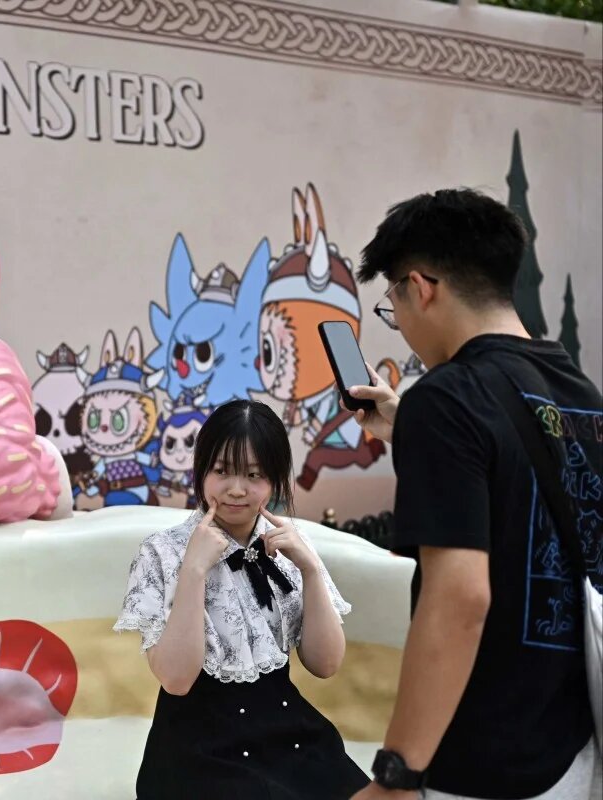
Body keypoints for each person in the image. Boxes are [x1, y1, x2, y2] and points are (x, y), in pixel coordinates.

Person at [345, 188, 602, 800]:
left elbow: (460, 599)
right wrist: (409, 428)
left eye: (392, 306)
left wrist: (398, 775)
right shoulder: (580, 391)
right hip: (572, 749)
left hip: (483, 762)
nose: (401, 326)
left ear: (420, 287)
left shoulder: (446, 398)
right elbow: (522, 478)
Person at [115, 399, 369, 799]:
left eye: (254, 474)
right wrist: (194, 570)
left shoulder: (290, 547)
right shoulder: (161, 551)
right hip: (199, 746)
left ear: (275, 480)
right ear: (201, 470)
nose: (236, 489)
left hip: (285, 730)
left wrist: (309, 569)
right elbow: (177, 680)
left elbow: (325, 664)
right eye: (222, 471)